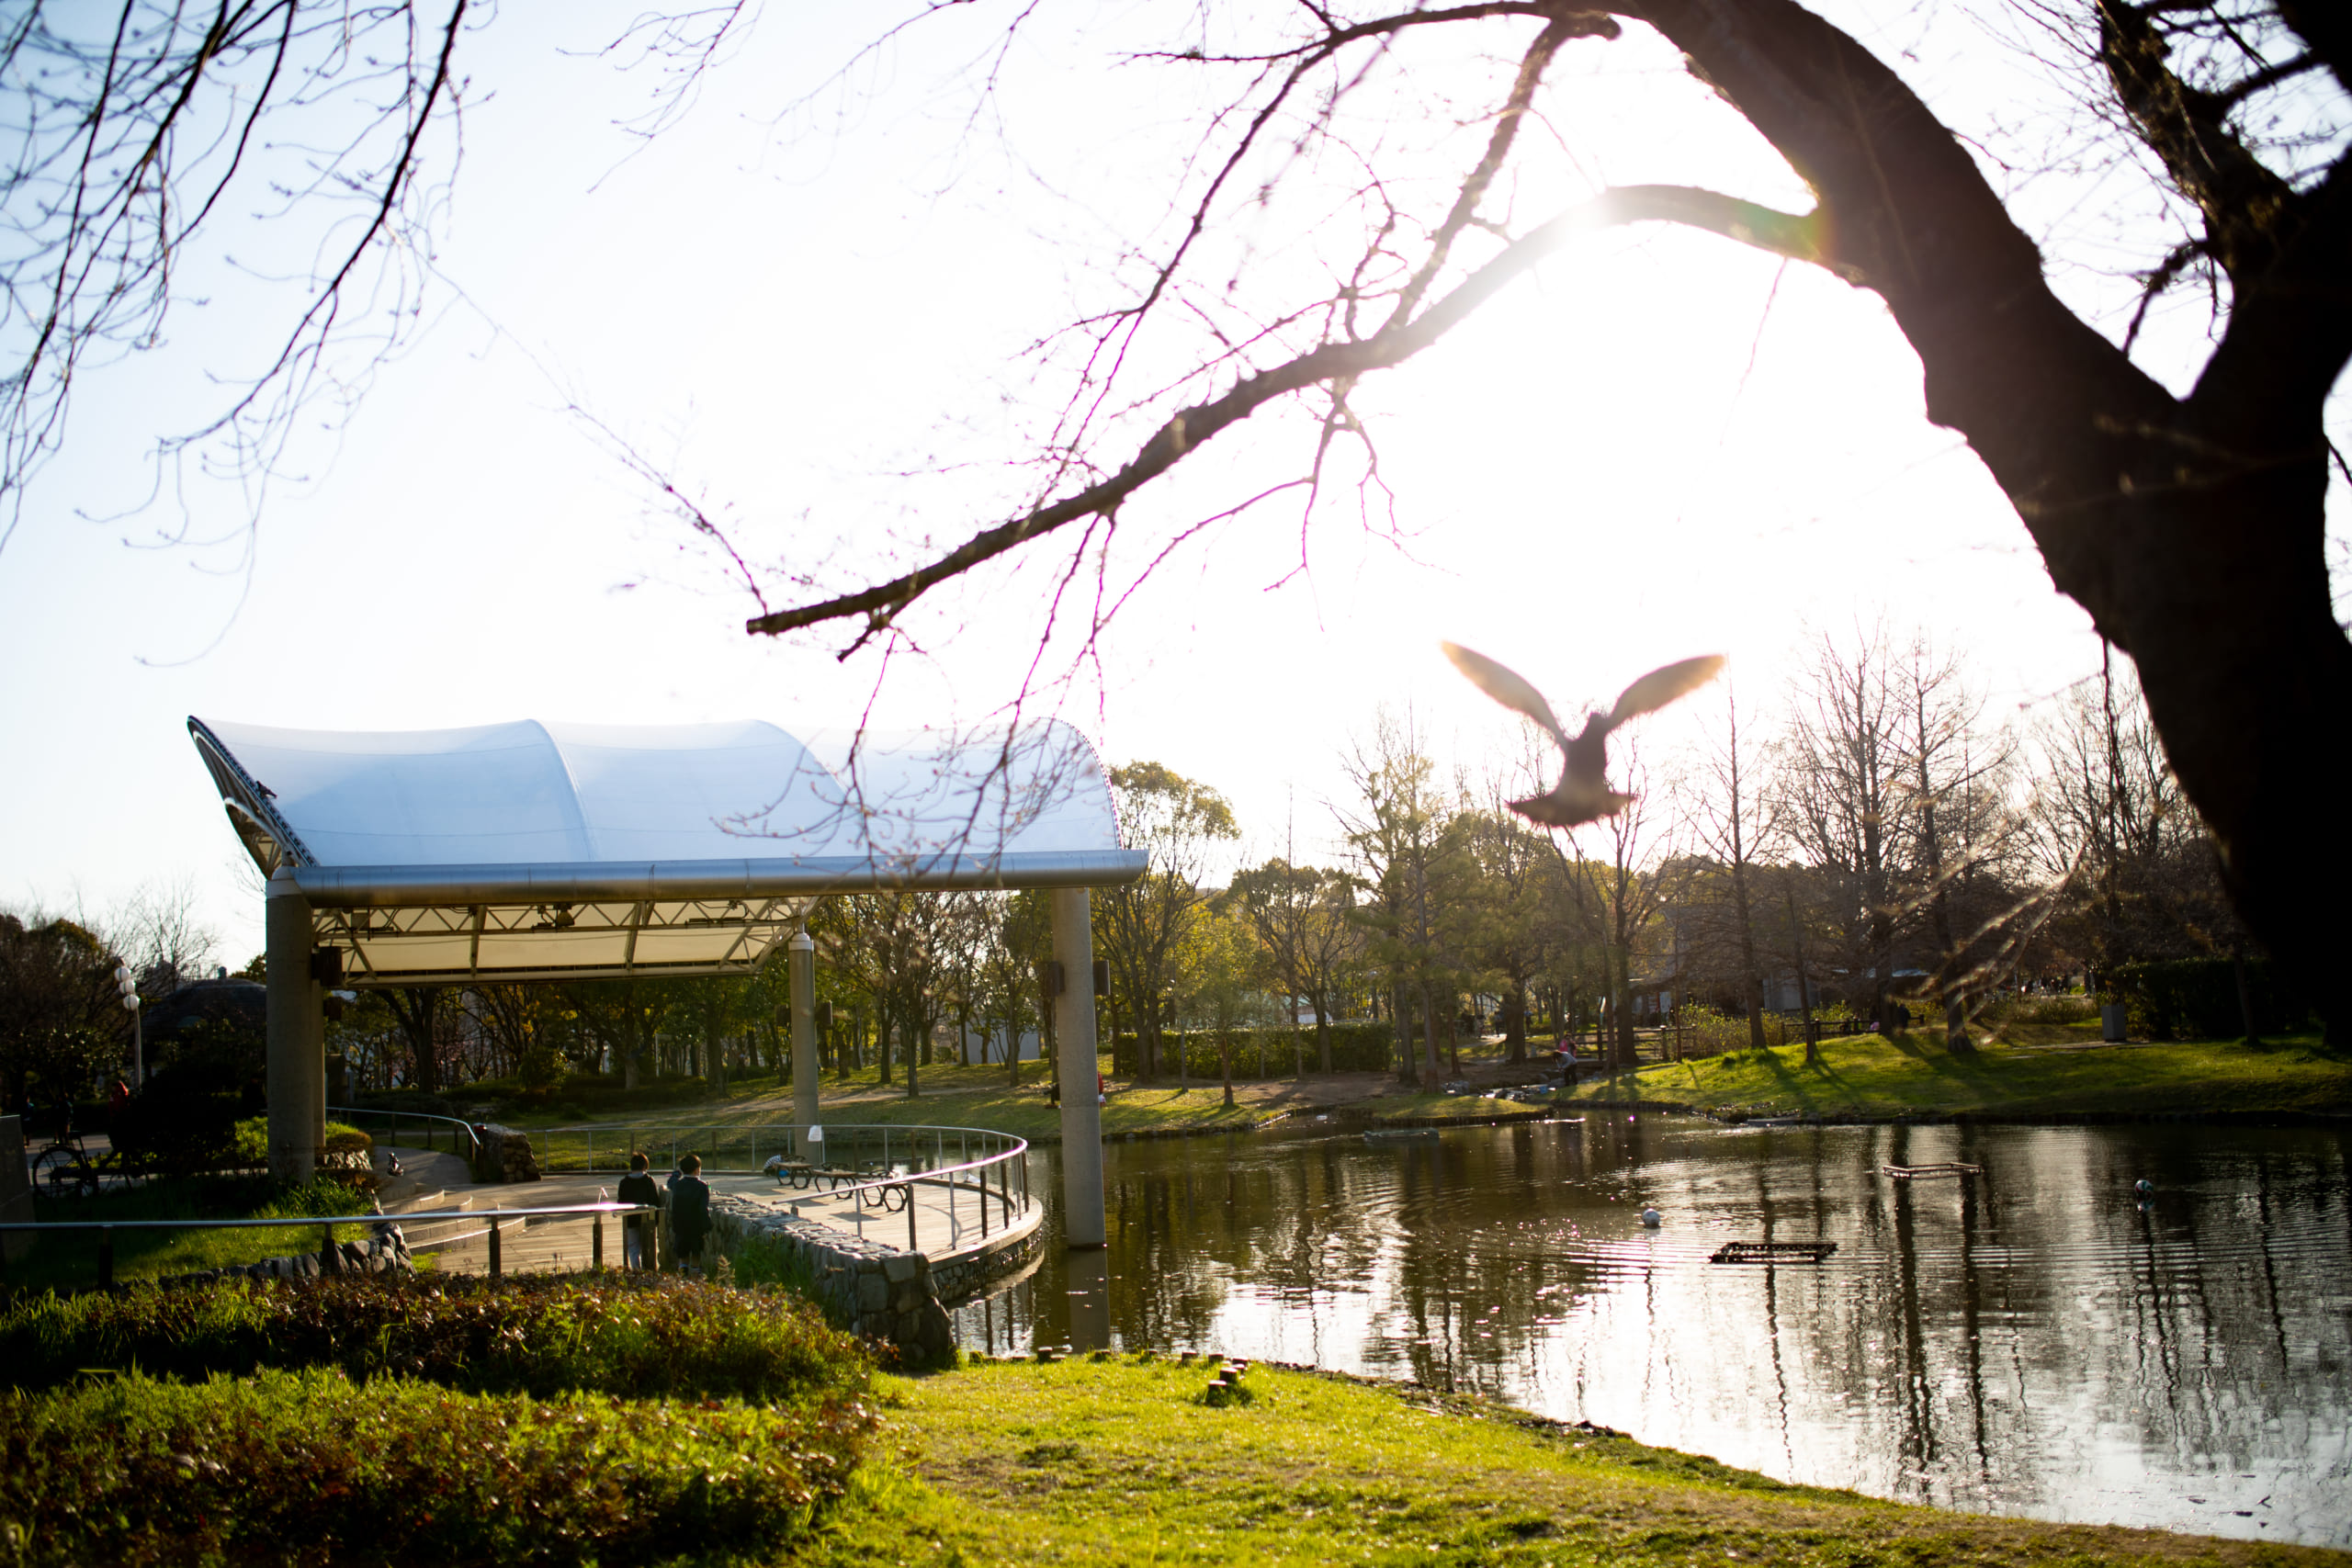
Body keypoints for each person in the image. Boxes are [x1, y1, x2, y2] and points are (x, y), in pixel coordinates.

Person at [616, 1152, 662, 1270]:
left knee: (633, 1247)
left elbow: (621, 1202)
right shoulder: (648, 1181)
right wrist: (657, 1219)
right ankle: (649, 1269)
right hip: (647, 1219)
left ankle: (636, 1270)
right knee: (647, 1245)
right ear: (645, 1166)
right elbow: (654, 1201)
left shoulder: (624, 1182)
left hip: (630, 1219)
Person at [669, 1154, 713, 1276]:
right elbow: (703, 1209)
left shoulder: (677, 1185)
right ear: (696, 1170)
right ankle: (695, 1274)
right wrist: (707, 1225)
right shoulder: (702, 1187)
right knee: (696, 1253)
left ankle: (683, 1274)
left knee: (683, 1254)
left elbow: (670, 1182)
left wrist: (676, 1173)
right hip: (696, 1226)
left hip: (680, 1225)